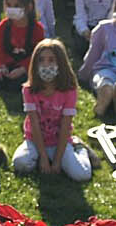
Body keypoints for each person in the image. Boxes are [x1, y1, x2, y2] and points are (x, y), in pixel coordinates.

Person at [11, 38, 89, 181]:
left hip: (60, 141)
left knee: (82, 175)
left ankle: (81, 149)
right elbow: (34, 124)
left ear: (61, 63)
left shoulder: (69, 90)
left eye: (51, 60)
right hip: (35, 141)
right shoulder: (29, 90)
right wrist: (43, 157)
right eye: (41, 60)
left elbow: (66, 124)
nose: (46, 65)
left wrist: (58, 160)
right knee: (20, 163)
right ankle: (39, 158)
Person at [0, 0, 48, 97]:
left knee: (16, 84)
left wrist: (23, 69)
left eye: (16, 6)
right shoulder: (4, 25)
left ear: (29, 7)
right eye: (9, 5)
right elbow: (0, 50)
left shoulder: (36, 28)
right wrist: (3, 66)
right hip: (7, 62)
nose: (12, 9)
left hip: (26, 64)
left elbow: (36, 54)